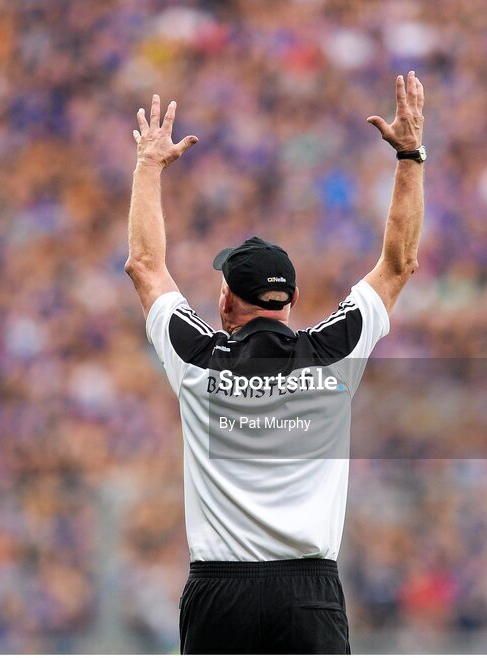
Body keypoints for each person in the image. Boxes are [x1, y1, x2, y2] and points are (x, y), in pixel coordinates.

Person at [124, 71, 425, 654]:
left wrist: (148, 166)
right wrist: (410, 154)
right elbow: (399, 264)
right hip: (308, 594)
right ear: (288, 300)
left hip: (220, 592)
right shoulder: (334, 351)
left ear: (225, 299)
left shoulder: (198, 356)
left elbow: (145, 264)